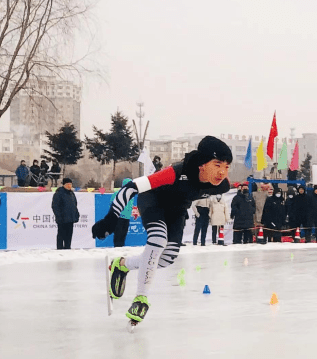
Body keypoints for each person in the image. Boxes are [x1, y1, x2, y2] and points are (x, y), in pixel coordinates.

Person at [94, 136, 232, 327]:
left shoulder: (222, 185)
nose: (222, 172)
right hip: (153, 201)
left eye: (227, 166)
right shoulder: (176, 172)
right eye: (217, 165)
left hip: (177, 210)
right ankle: (141, 299)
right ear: (201, 164)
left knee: (168, 258)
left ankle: (122, 265)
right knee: (158, 239)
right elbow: (131, 188)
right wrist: (110, 219)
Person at [52, 177, 80, 250]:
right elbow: (55, 206)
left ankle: (67, 248)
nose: (69, 186)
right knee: (61, 235)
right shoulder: (59, 193)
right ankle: (60, 249)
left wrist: (76, 214)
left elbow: (74, 205)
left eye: (70, 184)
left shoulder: (72, 194)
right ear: (64, 185)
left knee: (69, 235)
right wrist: (59, 217)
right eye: (67, 184)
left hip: (70, 218)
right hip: (62, 218)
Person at [114, 178, 135, 248]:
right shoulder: (117, 193)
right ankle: (117, 248)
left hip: (127, 217)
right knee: (118, 234)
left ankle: (121, 248)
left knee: (123, 234)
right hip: (119, 217)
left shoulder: (132, 195)